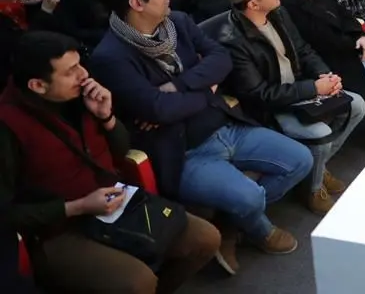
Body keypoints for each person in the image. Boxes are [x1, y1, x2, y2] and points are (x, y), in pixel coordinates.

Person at [91, 0, 313, 275]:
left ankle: (229, 218)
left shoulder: (178, 21)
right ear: (136, 3)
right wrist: (203, 90)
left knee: (301, 159)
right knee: (249, 197)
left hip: (224, 124)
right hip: (183, 149)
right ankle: (258, 228)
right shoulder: (110, 57)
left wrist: (178, 87)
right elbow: (158, 110)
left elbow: (221, 60)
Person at [0, 31, 221, 293]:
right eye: (70, 71)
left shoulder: (82, 95)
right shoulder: (8, 125)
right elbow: (7, 213)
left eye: (80, 63)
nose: (83, 74)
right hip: (59, 229)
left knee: (206, 239)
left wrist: (107, 118)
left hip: (116, 203)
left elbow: (121, 151)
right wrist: (78, 207)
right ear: (37, 85)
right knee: (138, 282)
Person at [218, 0, 365, 215]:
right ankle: (313, 186)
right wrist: (312, 88)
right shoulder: (234, 42)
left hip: (300, 90)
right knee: (319, 135)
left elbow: (304, 50)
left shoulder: (278, 13)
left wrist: (325, 75)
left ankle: (318, 169)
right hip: (274, 107)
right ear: (253, 4)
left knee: (357, 105)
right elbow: (261, 95)